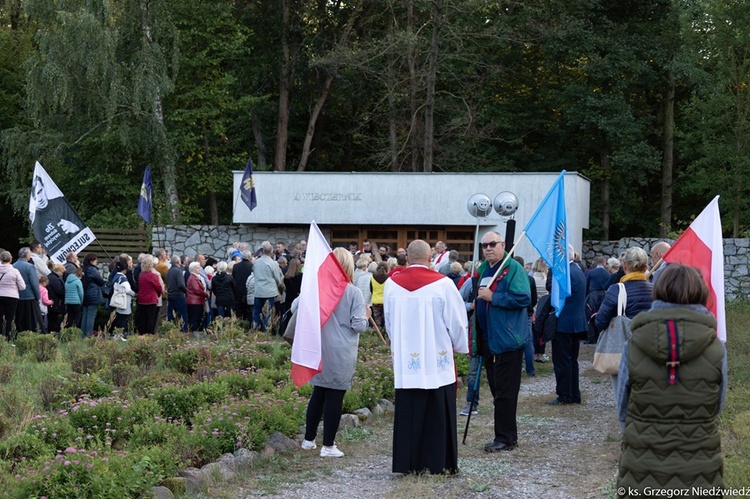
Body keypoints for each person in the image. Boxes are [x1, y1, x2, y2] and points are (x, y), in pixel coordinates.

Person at [616, 264, 726, 495]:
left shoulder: (634, 343)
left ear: (659, 290)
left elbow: (622, 407)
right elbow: (718, 405)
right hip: (701, 464)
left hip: (641, 462)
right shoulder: (716, 347)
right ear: (700, 293)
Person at [384, 240, 468, 474]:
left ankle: (408, 463)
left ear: (407, 258)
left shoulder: (392, 284)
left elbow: (389, 322)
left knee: (409, 410)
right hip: (435, 359)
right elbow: (457, 322)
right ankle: (438, 461)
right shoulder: (443, 284)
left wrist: (398, 346)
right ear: (430, 257)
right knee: (437, 412)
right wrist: (461, 346)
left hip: (407, 361)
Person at [300, 248, 371, 458]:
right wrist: (366, 316)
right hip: (341, 350)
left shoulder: (318, 289)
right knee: (335, 395)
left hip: (318, 347)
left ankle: (308, 439)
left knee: (318, 392)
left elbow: (297, 306)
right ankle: (328, 445)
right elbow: (358, 326)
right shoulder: (352, 292)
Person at [474, 232, 531, 451]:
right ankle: (506, 434)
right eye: (484, 245)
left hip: (507, 340)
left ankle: (505, 438)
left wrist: (493, 298)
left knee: (506, 392)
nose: (488, 248)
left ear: (503, 245)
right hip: (488, 340)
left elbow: (524, 298)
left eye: (492, 244)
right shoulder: (483, 270)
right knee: (497, 391)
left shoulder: (513, 268)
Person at [547, 246, 587, 405]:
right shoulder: (577, 269)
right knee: (572, 361)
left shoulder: (566, 273)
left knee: (563, 361)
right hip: (575, 321)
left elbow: (555, 293)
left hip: (564, 322)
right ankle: (573, 393)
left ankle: (565, 395)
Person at [252, 241, 284, 332]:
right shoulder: (273, 263)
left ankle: (254, 331)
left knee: (256, 314)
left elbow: (254, 273)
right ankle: (266, 333)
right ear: (271, 252)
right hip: (269, 292)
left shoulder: (256, 262)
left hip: (258, 291)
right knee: (267, 315)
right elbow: (278, 279)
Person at [13, 247, 41, 333]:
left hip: (17, 295)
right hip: (29, 296)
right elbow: (34, 283)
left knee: (20, 319)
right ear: (26, 255)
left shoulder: (13, 266)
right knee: (32, 320)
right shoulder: (29, 266)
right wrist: (38, 296)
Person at [0, 250, 26, 340]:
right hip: (11, 296)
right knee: (9, 318)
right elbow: (22, 286)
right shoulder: (14, 271)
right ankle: (8, 337)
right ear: (10, 259)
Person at [585, 256, 610, 344]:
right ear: (604, 263)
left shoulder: (591, 272)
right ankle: (600, 337)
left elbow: (586, 284)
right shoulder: (607, 273)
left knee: (590, 316)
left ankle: (591, 338)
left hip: (593, 295)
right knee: (601, 316)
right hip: (603, 295)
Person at [80, 253, 105, 337]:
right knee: (91, 316)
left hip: (85, 294)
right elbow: (100, 281)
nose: (97, 261)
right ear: (91, 260)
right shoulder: (92, 269)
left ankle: (83, 335)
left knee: (85, 315)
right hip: (93, 295)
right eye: (95, 259)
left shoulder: (84, 269)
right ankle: (89, 335)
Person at [136, 257, 162, 335]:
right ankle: (150, 334)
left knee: (142, 318)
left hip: (142, 299)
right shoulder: (153, 276)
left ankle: (142, 333)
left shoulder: (141, 275)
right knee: (151, 318)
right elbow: (159, 287)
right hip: (151, 299)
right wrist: (158, 294)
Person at [110, 259, 135, 337]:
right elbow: (128, 290)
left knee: (118, 318)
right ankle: (119, 335)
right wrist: (134, 294)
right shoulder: (123, 279)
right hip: (124, 301)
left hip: (117, 300)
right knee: (123, 319)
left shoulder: (115, 276)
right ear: (124, 270)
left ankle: (116, 334)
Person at [166, 256, 189, 331]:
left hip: (170, 295)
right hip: (178, 295)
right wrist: (186, 291)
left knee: (171, 316)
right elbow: (181, 285)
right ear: (178, 262)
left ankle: (172, 330)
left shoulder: (168, 271)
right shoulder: (178, 271)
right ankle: (184, 330)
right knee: (183, 314)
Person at [187, 262, 210, 332]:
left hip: (196, 301)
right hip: (195, 302)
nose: (199, 269)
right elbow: (197, 290)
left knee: (197, 318)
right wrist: (206, 294)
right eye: (197, 268)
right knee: (195, 319)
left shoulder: (195, 277)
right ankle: (194, 334)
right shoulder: (193, 278)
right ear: (193, 269)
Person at [232, 250, 254, 322]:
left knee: (239, 312)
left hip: (238, 291)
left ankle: (239, 326)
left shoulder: (236, 266)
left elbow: (234, 278)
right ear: (249, 257)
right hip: (249, 291)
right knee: (249, 312)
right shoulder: (252, 266)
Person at [46, 264, 66, 333]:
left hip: (50, 300)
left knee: (51, 319)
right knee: (53, 320)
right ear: (59, 271)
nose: (62, 274)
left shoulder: (49, 277)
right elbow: (59, 290)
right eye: (62, 272)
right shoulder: (55, 279)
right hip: (55, 302)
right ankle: (53, 333)